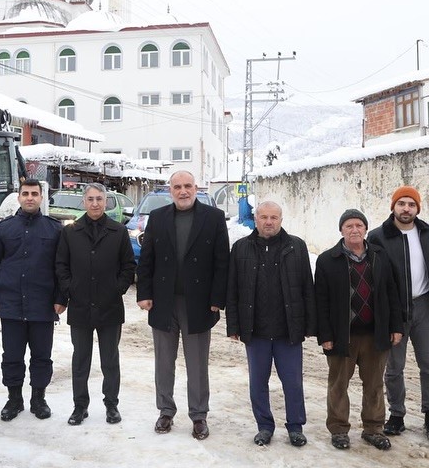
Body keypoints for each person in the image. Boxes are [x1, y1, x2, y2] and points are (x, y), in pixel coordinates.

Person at [136, 170, 230, 440]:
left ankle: (199, 415)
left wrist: (216, 300)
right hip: (163, 302)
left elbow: (222, 262)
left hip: (199, 304)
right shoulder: (158, 217)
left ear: (196, 188)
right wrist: (144, 293)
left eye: (188, 186)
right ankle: (165, 410)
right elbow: (147, 260)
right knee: (164, 362)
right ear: (170, 190)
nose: (183, 191)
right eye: (177, 187)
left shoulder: (213, 218)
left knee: (197, 363)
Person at [226, 200, 315, 447]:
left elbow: (307, 287)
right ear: (255, 220)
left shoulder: (296, 247)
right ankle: (264, 426)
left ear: (281, 220)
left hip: (288, 330)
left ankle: (295, 426)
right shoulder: (241, 248)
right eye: (263, 217)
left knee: (293, 382)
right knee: (258, 382)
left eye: (273, 217)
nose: (268, 222)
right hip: (256, 332)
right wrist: (233, 325)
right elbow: (232, 289)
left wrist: (309, 325)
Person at [314, 209, 403, 451]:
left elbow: (392, 294)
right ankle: (339, 429)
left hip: (375, 334)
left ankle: (373, 428)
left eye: (359, 225)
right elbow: (320, 301)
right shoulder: (327, 260)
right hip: (343, 336)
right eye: (349, 226)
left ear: (365, 229)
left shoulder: (380, 256)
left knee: (374, 384)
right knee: (338, 384)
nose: (354, 230)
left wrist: (396, 326)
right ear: (341, 230)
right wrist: (325, 335)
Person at [367, 186, 429, 442]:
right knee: (394, 367)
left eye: (411, 204)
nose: (406, 209)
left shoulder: (428, 233)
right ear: (393, 206)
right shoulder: (379, 236)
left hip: (424, 306)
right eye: (401, 203)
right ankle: (397, 414)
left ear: (417, 208)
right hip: (395, 310)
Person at [55, 183, 136, 426]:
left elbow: (128, 266)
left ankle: (111, 404)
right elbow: (61, 265)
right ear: (83, 202)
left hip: (109, 305)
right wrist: (70, 289)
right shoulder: (71, 232)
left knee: (110, 359)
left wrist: (116, 289)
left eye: (99, 199)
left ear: (106, 201)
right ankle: (80, 406)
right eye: (90, 199)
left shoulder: (117, 231)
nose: (95, 203)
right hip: (80, 305)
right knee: (80, 359)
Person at [0, 179, 64, 421]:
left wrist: (61, 298)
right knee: (12, 356)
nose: (30, 197)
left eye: (34, 194)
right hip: (10, 305)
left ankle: (38, 399)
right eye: (25, 193)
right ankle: (14, 399)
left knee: (42, 356)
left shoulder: (55, 229)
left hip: (43, 305)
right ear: (18, 197)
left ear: (42, 198)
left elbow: (62, 267)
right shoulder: (3, 229)